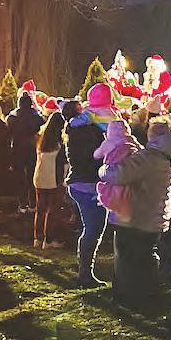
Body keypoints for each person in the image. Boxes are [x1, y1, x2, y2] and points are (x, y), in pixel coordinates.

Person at [100, 118, 171, 306]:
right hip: (155, 218)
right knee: (146, 256)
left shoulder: (148, 157)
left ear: (153, 134)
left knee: (128, 259)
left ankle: (130, 297)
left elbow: (117, 174)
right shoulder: (168, 156)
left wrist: (103, 169)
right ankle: (147, 294)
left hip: (135, 217)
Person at [62, 100, 108, 288]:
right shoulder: (85, 131)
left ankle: (86, 271)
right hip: (87, 184)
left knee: (92, 228)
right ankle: (85, 273)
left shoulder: (73, 131)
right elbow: (94, 155)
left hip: (81, 182)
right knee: (93, 228)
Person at [32, 112, 68, 249]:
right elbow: (64, 164)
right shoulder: (60, 144)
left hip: (39, 177)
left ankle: (38, 238)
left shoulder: (41, 141)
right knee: (53, 211)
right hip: (54, 179)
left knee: (40, 210)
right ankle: (49, 240)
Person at [94, 120, 143, 221]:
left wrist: (105, 143)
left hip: (113, 175)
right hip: (129, 176)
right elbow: (142, 152)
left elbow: (96, 155)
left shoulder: (109, 142)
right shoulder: (131, 140)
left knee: (114, 204)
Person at [7, 93, 45, 212]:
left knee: (20, 178)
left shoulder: (12, 117)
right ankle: (33, 203)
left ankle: (22, 204)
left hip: (17, 149)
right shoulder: (36, 117)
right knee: (32, 177)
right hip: (33, 149)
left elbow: (8, 134)